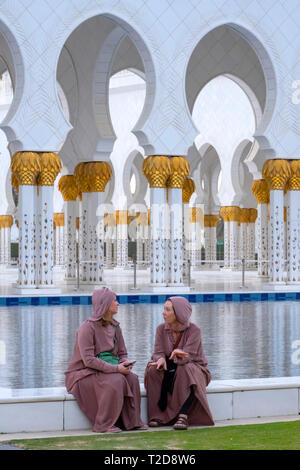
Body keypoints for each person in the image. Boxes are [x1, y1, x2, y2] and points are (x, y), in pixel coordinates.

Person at [65, 287, 147, 433]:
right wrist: (116, 369)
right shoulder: (87, 328)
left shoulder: (115, 327)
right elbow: (89, 360)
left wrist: (125, 363)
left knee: (132, 378)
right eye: (115, 300)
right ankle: (104, 423)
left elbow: (122, 353)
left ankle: (132, 422)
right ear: (106, 304)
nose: (118, 303)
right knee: (116, 380)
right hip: (84, 373)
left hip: (108, 369)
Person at [144, 296, 214, 430]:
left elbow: (189, 356)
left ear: (178, 313)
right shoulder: (160, 329)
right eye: (164, 309)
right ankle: (158, 415)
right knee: (153, 370)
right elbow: (157, 352)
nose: (163, 313)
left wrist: (178, 354)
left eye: (168, 310)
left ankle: (183, 415)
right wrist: (160, 359)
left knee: (184, 368)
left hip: (195, 369)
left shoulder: (194, 330)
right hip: (171, 366)